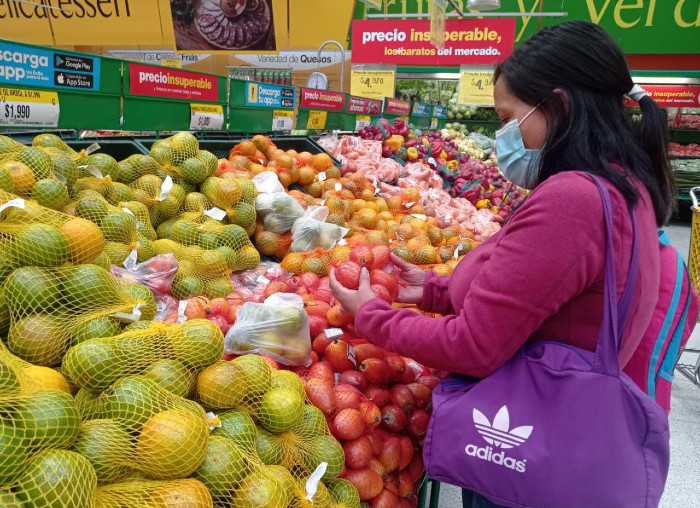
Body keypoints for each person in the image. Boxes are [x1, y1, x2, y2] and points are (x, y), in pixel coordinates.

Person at [329, 21, 674, 508]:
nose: (503, 136)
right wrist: (434, 290)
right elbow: (543, 294)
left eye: (509, 117)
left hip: (526, 450)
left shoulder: (574, 199)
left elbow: (474, 347)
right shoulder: (625, 185)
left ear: (560, 105)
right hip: (567, 431)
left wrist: (371, 314)